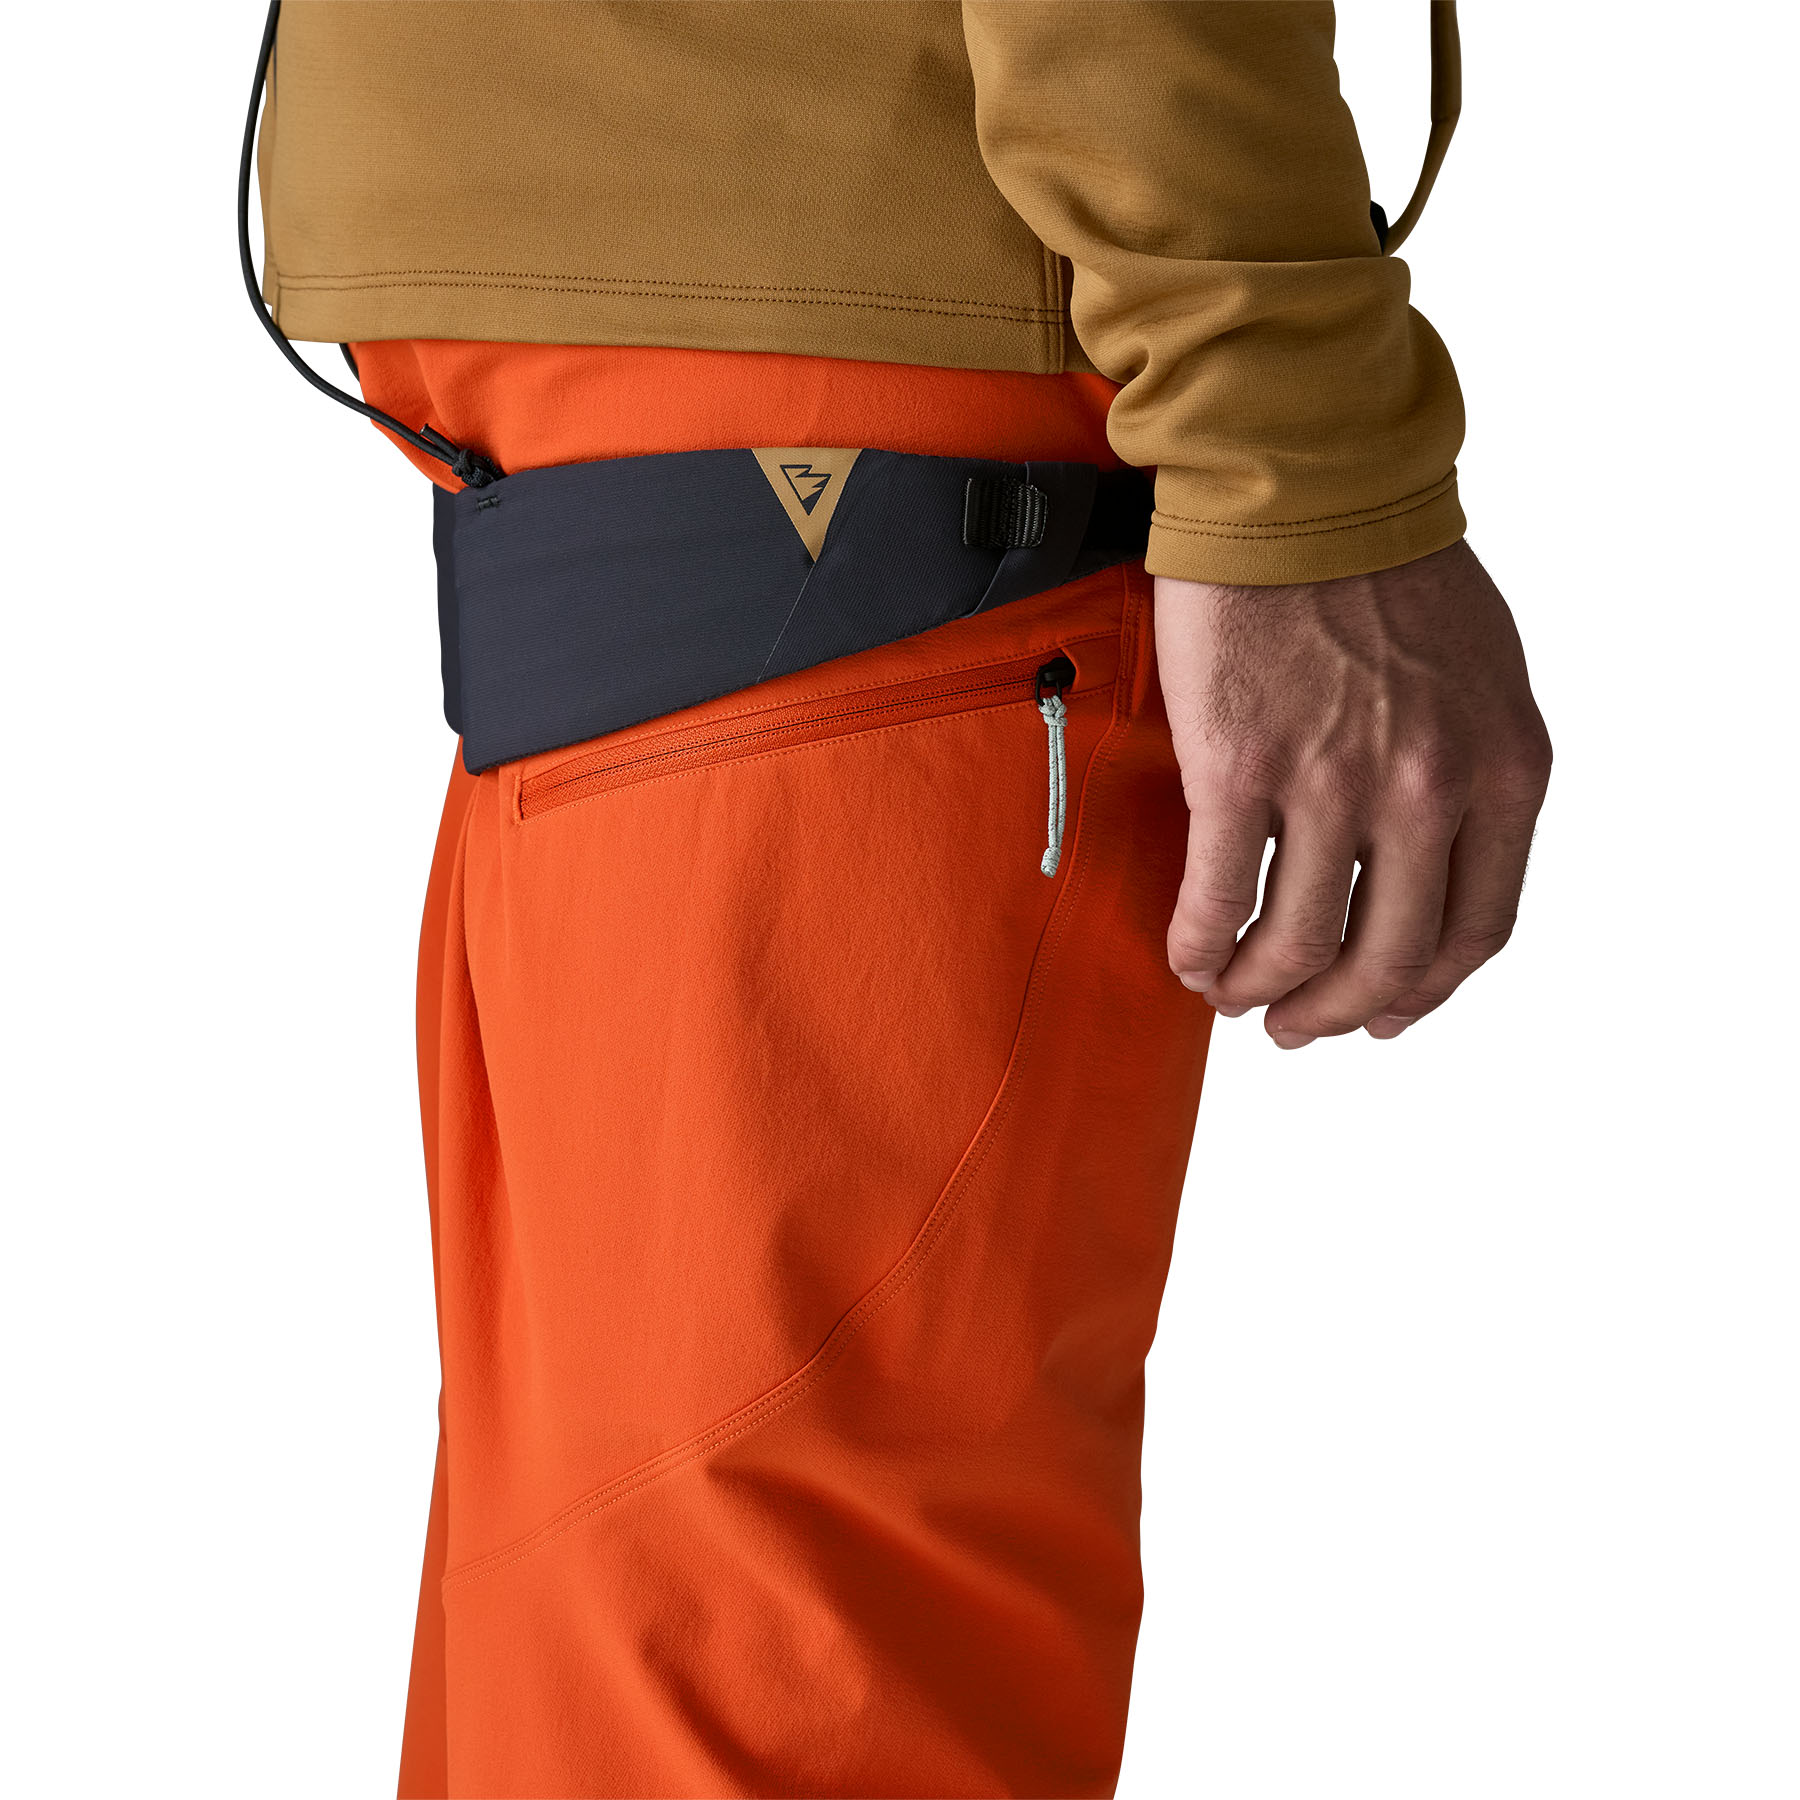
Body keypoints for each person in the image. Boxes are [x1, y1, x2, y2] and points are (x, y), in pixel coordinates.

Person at [242, 3, 1550, 1794]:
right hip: (863, 433)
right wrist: (1293, 444)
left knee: (623, 1665)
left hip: (650, 469)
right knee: (756, 1674)